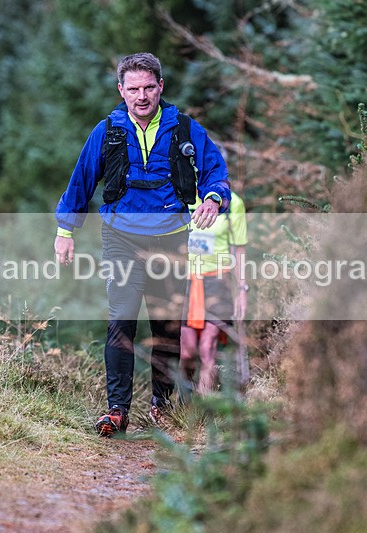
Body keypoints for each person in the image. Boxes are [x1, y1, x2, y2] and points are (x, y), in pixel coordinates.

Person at [54, 52, 231, 437]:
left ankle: (161, 405)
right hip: (121, 239)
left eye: (149, 87)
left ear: (161, 87)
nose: (141, 96)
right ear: (121, 90)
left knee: (166, 328)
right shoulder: (108, 130)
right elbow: (81, 181)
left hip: (171, 240)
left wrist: (214, 198)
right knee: (122, 318)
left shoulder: (184, 128)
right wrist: (65, 232)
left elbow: (217, 171)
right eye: (133, 89)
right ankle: (116, 410)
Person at [180, 192, 248, 397]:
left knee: (207, 347)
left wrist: (242, 289)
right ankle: (184, 404)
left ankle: (202, 411)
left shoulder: (233, 202)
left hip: (219, 281)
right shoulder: (183, 194)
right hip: (186, 280)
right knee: (187, 351)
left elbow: (239, 250)